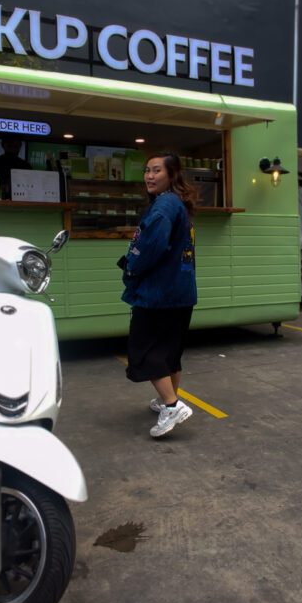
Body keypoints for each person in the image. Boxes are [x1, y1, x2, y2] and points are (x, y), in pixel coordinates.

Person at [119, 152, 198, 438]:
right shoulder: (178, 204)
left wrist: (131, 269)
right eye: (147, 171)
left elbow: (149, 248)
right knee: (169, 350)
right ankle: (167, 400)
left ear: (171, 175)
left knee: (145, 349)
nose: (149, 176)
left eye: (156, 171)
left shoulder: (163, 206)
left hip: (158, 293)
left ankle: (171, 405)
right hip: (181, 291)